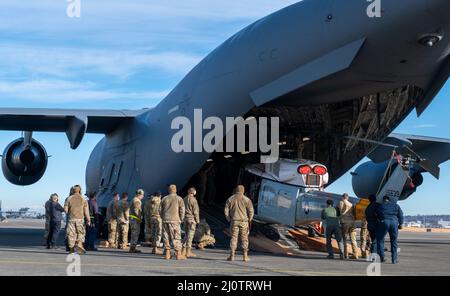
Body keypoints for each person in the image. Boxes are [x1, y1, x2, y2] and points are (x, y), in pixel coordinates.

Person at [224, 185, 254, 262]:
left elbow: (226, 210)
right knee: (244, 238)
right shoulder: (247, 199)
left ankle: (232, 255)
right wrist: (250, 219)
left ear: (236, 190)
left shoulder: (230, 199)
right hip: (244, 221)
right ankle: (245, 256)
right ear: (243, 191)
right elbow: (251, 210)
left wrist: (228, 219)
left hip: (234, 221)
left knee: (234, 238)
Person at [161, 184, 186, 260]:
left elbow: (160, 210)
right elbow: (182, 210)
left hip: (165, 220)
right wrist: (181, 219)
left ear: (169, 190)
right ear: (175, 190)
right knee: (176, 237)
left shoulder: (164, 198)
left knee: (166, 237)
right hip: (174, 220)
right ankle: (178, 254)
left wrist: (163, 217)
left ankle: (167, 254)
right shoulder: (179, 199)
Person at [376, 196, 404, 264]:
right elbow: (401, 215)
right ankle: (394, 260)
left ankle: (382, 257)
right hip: (394, 223)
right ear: (389, 200)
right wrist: (400, 224)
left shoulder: (381, 206)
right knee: (394, 241)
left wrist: (380, 222)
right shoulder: (396, 205)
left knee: (380, 239)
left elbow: (377, 215)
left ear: (383, 200)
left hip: (385, 222)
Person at [64, 185, 90, 254]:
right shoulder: (83, 199)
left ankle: (71, 248)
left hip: (71, 219)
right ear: (80, 190)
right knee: (80, 233)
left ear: (73, 190)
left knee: (71, 234)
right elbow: (86, 211)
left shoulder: (68, 198)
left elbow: (65, 210)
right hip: (80, 219)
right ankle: (79, 245)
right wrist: (88, 219)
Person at [338, 193, 359, 259]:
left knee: (344, 239)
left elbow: (340, 211)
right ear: (347, 197)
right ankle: (355, 254)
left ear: (343, 197)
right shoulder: (351, 204)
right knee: (353, 239)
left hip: (345, 222)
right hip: (352, 222)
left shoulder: (341, 202)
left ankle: (345, 254)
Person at [182, 187, 200, 258]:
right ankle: (188, 251)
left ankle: (183, 250)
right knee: (190, 235)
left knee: (186, 235)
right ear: (194, 192)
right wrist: (197, 221)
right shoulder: (193, 200)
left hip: (185, 219)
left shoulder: (184, 199)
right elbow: (196, 212)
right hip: (191, 219)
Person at [129, 189, 144, 253]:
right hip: (135, 220)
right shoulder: (137, 201)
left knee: (134, 233)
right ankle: (132, 248)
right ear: (139, 194)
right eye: (142, 195)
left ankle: (132, 247)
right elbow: (136, 211)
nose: (143, 196)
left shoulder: (134, 199)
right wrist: (140, 218)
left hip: (133, 219)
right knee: (135, 233)